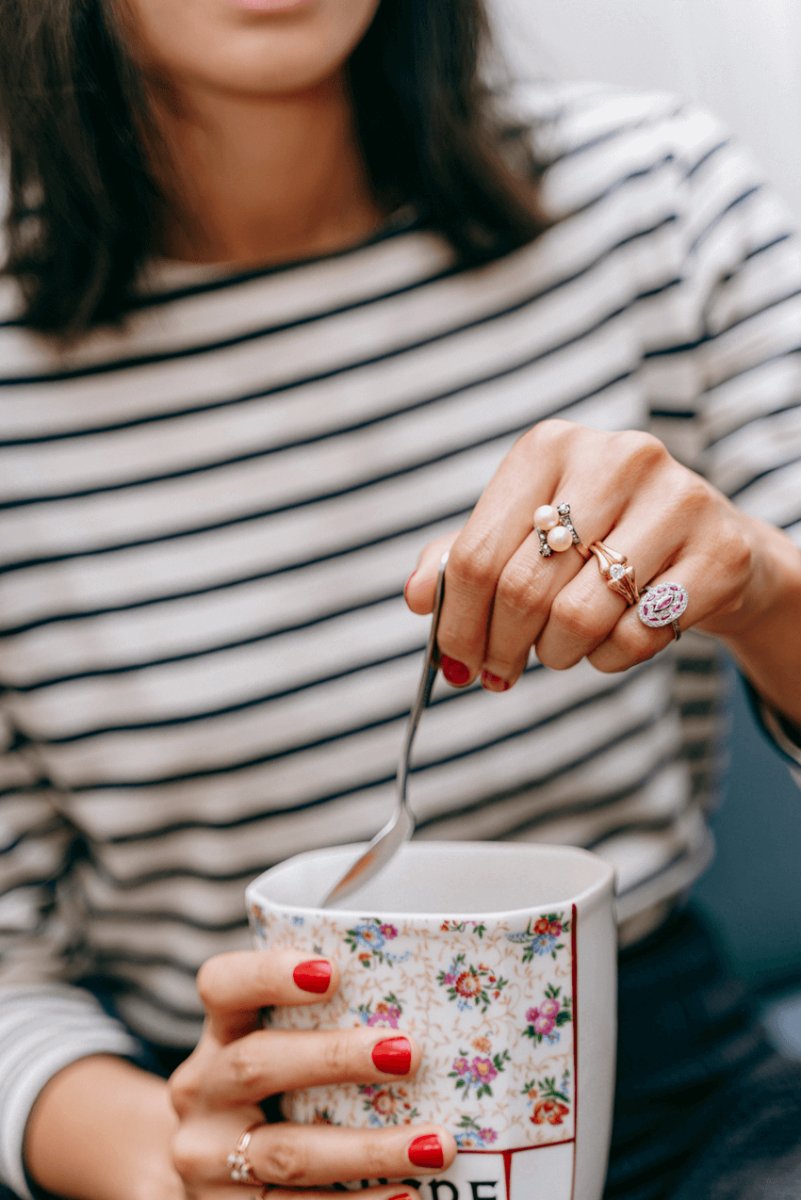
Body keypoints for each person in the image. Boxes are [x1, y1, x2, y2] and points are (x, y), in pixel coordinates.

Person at [0, 1, 800, 1198]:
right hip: (197, 1119)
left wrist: (760, 587)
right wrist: (175, 1164)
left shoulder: (660, 207)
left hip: (678, 1106)